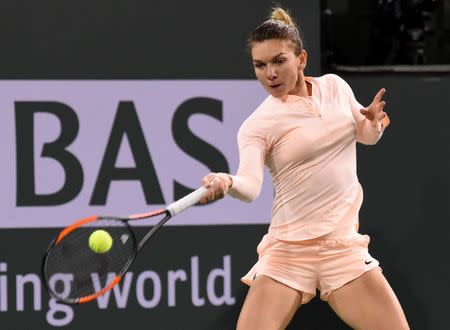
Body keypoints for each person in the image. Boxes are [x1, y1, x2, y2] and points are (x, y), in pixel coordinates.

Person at [199, 7, 410, 330]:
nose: (269, 73)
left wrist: (373, 125)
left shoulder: (335, 87)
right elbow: (251, 186)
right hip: (288, 252)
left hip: (341, 247)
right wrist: (227, 181)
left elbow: (364, 136)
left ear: (301, 59)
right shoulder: (257, 124)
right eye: (260, 65)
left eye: (279, 61)